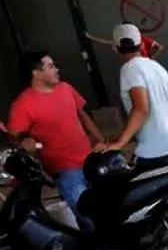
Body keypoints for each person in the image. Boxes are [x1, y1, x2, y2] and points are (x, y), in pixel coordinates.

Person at [6, 51, 102, 227]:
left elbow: (83, 115)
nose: (57, 69)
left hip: (91, 160)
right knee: (87, 217)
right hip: (65, 171)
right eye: (51, 66)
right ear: (36, 73)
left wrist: (102, 141)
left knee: (108, 208)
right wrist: (25, 140)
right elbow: (15, 134)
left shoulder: (66, 88)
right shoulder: (23, 104)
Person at [93, 23, 168, 174]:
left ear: (115, 48)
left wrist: (119, 143)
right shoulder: (157, 67)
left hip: (158, 147)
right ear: (141, 44)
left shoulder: (129, 68)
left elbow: (141, 108)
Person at [86, 25, 164, 59]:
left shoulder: (144, 39)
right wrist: (90, 37)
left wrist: (152, 57)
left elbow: (160, 47)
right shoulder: (125, 42)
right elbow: (106, 41)